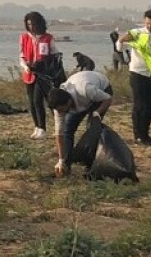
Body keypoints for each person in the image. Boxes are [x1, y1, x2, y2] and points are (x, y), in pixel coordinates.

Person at [116, 9, 151, 147]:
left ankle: (145, 134)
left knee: (150, 106)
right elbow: (119, 48)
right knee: (139, 105)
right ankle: (138, 135)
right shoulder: (137, 33)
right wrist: (121, 39)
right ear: (144, 22)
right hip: (138, 73)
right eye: (147, 23)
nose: (150, 26)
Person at [48, 68, 113, 177]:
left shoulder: (86, 89)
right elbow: (60, 134)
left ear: (69, 101)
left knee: (92, 130)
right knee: (68, 130)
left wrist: (97, 112)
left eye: (63, 109)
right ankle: (66, 166)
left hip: (101, 90)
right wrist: (60, 159)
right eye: (59, 111)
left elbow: (108, 98)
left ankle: (91, 165)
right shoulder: (58, 107)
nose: (62, 113)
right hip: (82, 98)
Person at [19, 11, 56, 139]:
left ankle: (43, 128)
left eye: (33, 24)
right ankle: (37, 126)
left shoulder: (48, 38)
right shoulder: (24, 37)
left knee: (38, 100)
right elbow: (21, 55)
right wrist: (25, 66)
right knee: (32, 102)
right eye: (29, 24)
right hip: (28, 73)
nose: (31, 27)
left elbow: (54, 54)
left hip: (43, 74)